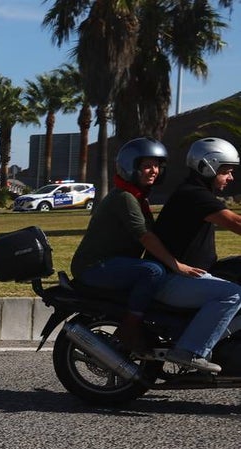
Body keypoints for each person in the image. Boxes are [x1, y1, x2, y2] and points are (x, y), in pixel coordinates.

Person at [70, 137, 234, 372]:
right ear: (131, 166)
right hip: (95, 267)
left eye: (157, 166)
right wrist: (176, 265)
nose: (154, 171)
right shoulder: (124, 198)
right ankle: (130, 327)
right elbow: (146, 236)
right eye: (147, 166)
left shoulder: (137, 197)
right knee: (152, 270)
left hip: (116, 264)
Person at [150, 137, 241, 369]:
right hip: (171, 280)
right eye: (226, 171)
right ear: (208, 166)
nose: (231, 177)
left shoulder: (197, 193)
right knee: (231, 294)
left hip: (189, 276)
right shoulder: (194, 195)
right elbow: (235, 223)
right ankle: (190, 351)